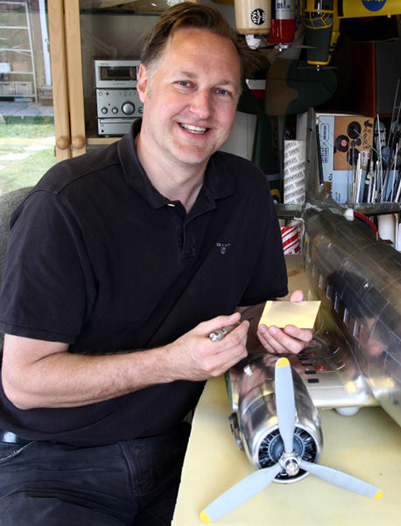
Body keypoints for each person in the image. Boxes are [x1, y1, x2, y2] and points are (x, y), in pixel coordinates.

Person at [0, 3, 312, 524]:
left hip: (188, 443)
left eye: (222, 92)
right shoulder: (66, 204)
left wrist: (279, 327)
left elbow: (253, 310)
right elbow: (25, 381)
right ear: (143, 84)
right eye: (184, 83)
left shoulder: (247, 190)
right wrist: (170, 362)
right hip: (56, 465)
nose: (202, 109)